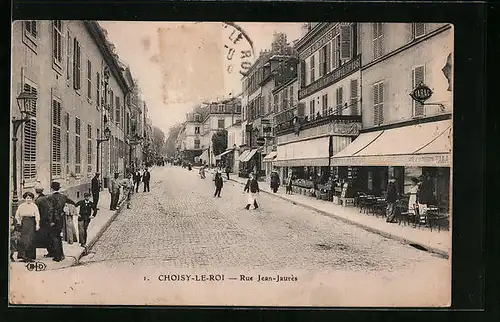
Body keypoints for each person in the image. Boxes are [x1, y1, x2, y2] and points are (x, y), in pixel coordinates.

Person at [47, 181, 76, 262]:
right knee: (59, 237)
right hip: (61, 219)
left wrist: (51, 221)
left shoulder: (50, 197)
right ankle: (61, 255)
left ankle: (57, 257)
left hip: (54, 220)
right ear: (58, 188)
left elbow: (50, 210)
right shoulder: (63, 197)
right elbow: (72, 202)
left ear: (52, 189)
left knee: (55, 238)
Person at [15, 192, 40, 262]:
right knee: (23, 240)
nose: (29, 199)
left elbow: (37, 216)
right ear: (25, 198)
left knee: (30, 239)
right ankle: (23, 256)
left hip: (31, 223)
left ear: (32, 199)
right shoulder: (21, 206)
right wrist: (19, 222)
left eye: (30, 198)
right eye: (27, 198)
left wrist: (37, 224)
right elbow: (17, 215)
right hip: (24, 223)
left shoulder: (34, 206)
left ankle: (30, 257)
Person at [34, 184, 54, 257]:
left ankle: (51, 252)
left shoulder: (38, 200)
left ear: (36, 191)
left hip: (42, 220)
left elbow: (37, 211)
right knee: (48, 236)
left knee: (45, 237)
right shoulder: (46, 197)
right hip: (47, 220)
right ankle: (51, 251)